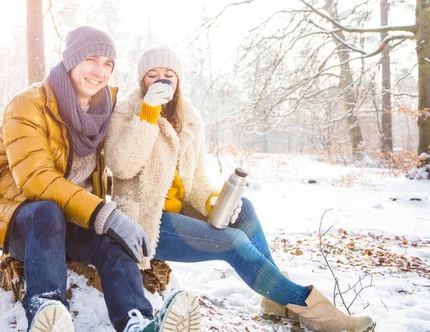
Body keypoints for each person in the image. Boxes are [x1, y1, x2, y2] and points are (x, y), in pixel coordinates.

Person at [104, 45, 375, 332]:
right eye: (152, 75)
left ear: (178, 79)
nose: (161, 80)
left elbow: (196, 180)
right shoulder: (127, 110)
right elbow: (122, 165)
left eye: (168, 74)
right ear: (141, 79)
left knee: (243, 209)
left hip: (179, 212)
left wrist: (212, 202)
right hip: (145, 219)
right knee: (233, 242)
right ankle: (314, 310)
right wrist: (148, 113)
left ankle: (275, 301)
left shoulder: (189, 119)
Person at [0, 28, 201, 332]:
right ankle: (48, 310)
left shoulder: (106, 107)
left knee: (112, 238)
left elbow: (131, 149)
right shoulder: (28, 104)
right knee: (49, 211)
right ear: (71, 61)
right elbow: (37, 180)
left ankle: (137, 321)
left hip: (76, 217)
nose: (99, 71)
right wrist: (107, 214)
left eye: (108, 64)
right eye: (91, 60)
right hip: (20, 216)